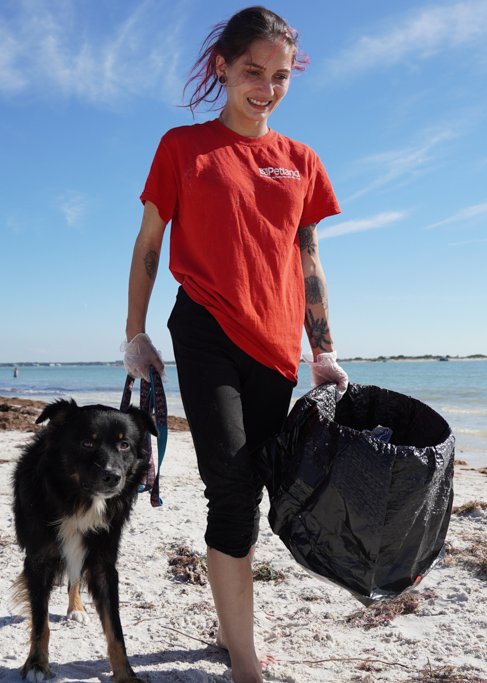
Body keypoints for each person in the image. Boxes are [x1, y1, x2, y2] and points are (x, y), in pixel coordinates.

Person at [122, 8, 348, 682]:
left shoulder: (301, 161)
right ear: (223, 65)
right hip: (205, 328)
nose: (266, 87)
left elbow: (308, 261)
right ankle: (242, 655)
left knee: (262, 490)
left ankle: (229, 624)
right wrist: (134, 333)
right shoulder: (182, 147)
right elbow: (147, 246)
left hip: (276, 344)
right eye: (254, 71)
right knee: (232, 486)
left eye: (280, 76)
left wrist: (324, 351)